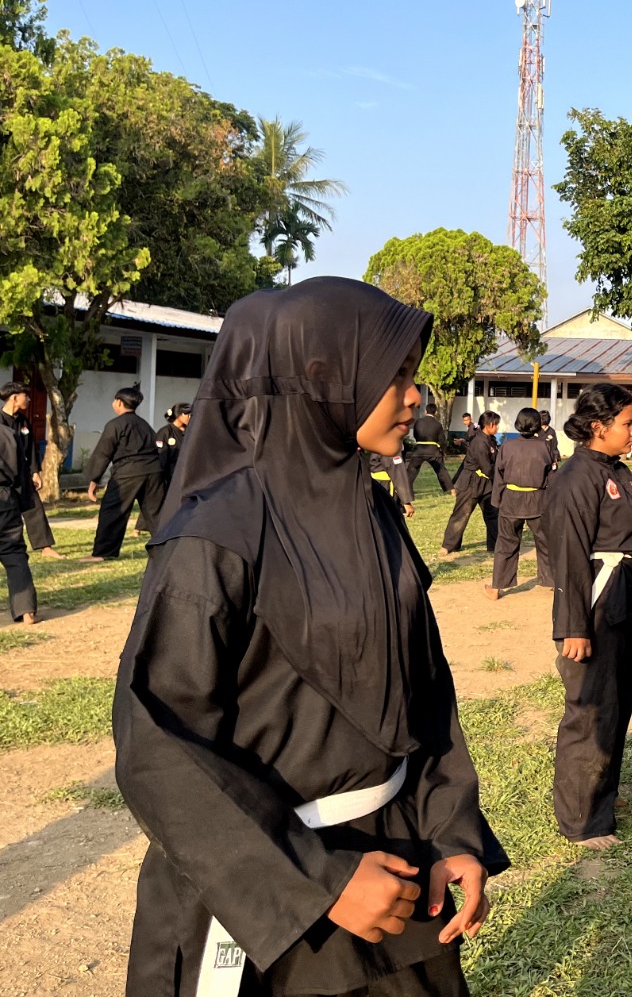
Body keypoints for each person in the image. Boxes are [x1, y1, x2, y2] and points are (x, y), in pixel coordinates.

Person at [112, 276, 507, 997]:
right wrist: (316, 880)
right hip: (266, 895)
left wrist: (454, 832)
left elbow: (427, 690)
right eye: (397, 375)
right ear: (321, 381)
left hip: (396, 875)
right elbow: (157, 742)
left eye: (413, 375)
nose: (414, 395)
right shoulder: (214, 537)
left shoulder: (376, 517)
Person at [540, 384, 632, 850]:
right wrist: (573, 627)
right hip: (591, 604)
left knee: (620, 700)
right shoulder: (574, 478)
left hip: (621, 598)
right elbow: (566, 555)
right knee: (590, 712)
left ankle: (602, 798)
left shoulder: (618, 472)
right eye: (627, 424)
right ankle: (581, 820)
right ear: (598, 427)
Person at [85, 387, 167, 561]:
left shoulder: (115, 425)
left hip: (128, 471)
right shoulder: (144, 424)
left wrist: (94, 480)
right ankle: (167, 549)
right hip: (153, 470)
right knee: (156, 513)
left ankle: (103, 552)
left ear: (119, 402)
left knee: (113, 511)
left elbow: (103, 453)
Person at [487, 407, 557, 599]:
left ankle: (497, 587)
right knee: (545, 541)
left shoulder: (507, 446)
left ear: (518, 424)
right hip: (538, 501)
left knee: (506, 543)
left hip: (511, 501)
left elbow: (498, 474)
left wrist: (497, 500)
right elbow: (552, 477)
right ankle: (551, 580)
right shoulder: (545, 447)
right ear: (537, 425)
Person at [0, 383, 62, 560]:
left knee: (34, 506)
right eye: (24, 395)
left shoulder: (23, 421)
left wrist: (35, 472)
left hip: (22, 474)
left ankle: (45, 546)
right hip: (3, 477)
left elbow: (31, 450)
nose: (28, 398)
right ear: (14, 397)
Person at [442, 412, 500, 556]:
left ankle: (495, 545)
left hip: (486, 485)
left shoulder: (490, 440)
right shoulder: (479, 442)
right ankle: (449, 545)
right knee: (461, 514)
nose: (498, 427)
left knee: (493, 514)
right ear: (490, 425)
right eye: (496, 424)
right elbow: (487, 467)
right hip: (471, 483)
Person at [0, 403, 38, 624]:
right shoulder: (9, 434)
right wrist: (23, 504)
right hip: (6, 497)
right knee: (14, 553)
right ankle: (27, 610)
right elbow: (22, 473)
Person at [136, 403, 192, 537]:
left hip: (183, 471)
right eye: (186, 413)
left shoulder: (190, 432)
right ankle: (139, 527)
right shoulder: (165, 432)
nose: (189, 416)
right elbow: (160, 454)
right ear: (178, 415)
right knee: (158, 500)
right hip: (166, 471)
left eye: (191, 413)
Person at [405, 403, 453, 495]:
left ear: (425, 411)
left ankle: (407, 491)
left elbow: (415, 435)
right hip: (433, 450)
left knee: (411, 471)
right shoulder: (438, 424)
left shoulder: (418, 422)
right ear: (435, 412)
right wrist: (441, 449)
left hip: (419, 450)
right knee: (441, 470)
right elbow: (442, 439)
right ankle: (451, 490)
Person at [369, 449, 416, 518]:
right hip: (386, 487)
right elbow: (398, 474)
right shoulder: (390, 448)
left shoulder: (378, 445)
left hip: (378, 485)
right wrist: (406, 502)